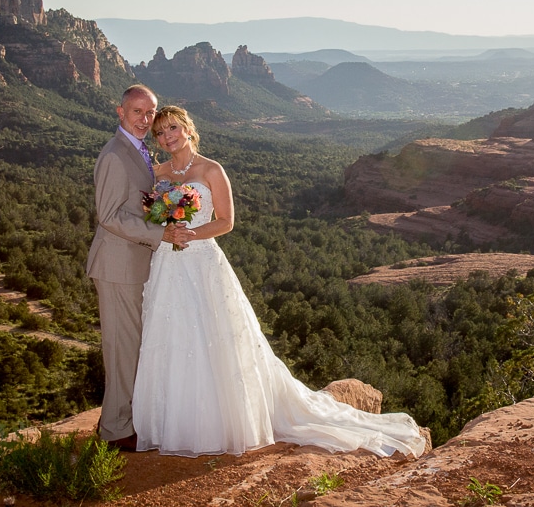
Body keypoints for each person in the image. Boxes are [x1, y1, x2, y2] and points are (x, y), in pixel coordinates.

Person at [132, 105, 426, 458]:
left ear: (189, 129)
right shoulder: (158, 173)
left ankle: (218, 423)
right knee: (172, 334)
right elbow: (148, 219)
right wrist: (167, 230)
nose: (168, 137)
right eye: (161, 133)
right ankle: (174, 422)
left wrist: (191, 233)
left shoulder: (211, 169)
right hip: (167, 262)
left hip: (201, 260)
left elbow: (226, 222)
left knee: (214, 336)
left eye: (174, 128)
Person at [86, 86, 196, 451]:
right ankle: (116, 432)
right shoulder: (115, 155)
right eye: (137, 112)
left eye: (149, 114)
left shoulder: (139, 149)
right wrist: (160, 233)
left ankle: (122, 420)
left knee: (132, 347)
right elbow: (109, 215)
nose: (145, 120)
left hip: (135, 265)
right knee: (121, 349)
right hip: (118, 266)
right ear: (120, 112)